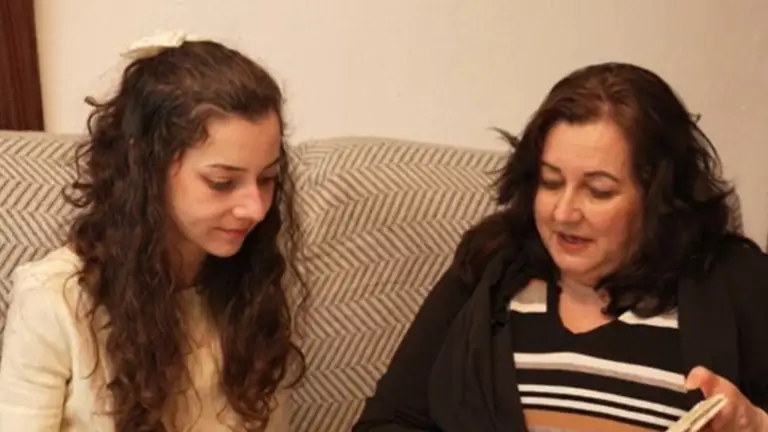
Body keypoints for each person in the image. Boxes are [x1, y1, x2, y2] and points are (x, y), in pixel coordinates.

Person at [353, 62, 768, 432]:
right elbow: (386, 422)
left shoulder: (735, 283)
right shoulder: (490, 267)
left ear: (659, 198)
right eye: (551, 183)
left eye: (598, 190)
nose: (564, 213)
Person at [0, 30, 305, 431]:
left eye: (267, 179)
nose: (255, 209)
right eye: (222, 182)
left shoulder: (256, 282)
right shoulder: (53, 299)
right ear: (148, 170)